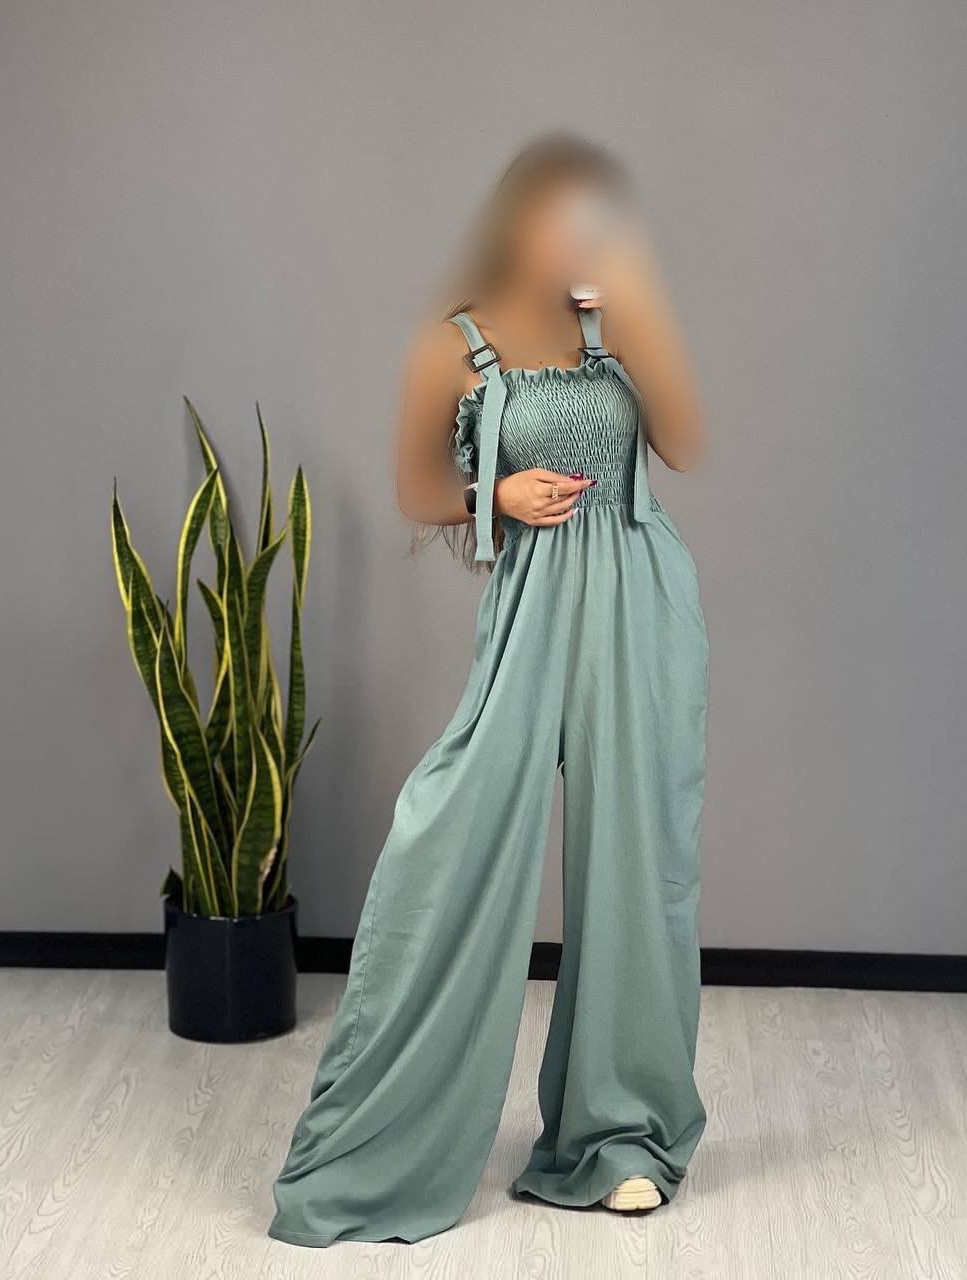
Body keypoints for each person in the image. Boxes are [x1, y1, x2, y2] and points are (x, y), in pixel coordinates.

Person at [269, 134, 709, 1248]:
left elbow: (685, 442)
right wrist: (496, 492)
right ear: (518, 219)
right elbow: (417, 485)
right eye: (564, 216)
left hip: (639, 606)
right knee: (451, 834)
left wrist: (638, 316)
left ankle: (621, 1136)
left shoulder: (613, 324)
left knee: (634, 860)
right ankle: (381, 1140)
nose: (582, 237)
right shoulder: (452, 341)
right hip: (529, 610)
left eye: (598, 219)